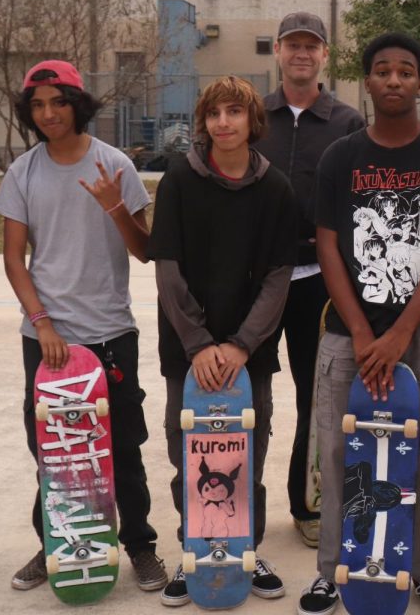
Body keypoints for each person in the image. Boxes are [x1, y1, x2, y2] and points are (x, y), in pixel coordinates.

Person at [299, 32, 420, 615]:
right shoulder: (342, 157)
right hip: (347, 331)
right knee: (337, 456)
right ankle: (337, 568)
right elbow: (329, 248)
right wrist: (360, 332)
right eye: (382, 71)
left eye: (406, 71)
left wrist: (403, 331)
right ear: (368, 80)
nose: (394, 80)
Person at [0, 60, 167, 594]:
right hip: (47, 341)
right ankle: (56, 544)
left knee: (122, 446)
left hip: (111, 333)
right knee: (55, 450)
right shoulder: (24, 171)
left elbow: (144, 252)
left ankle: (139, 545)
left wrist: (117, 209)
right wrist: (42, 323)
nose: (48, 114)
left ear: (77, 103)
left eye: (58, 102)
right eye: (38, 105)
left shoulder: (115, 164)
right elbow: (14, 258)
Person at [146, 75, 298, 606]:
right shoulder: (180, 181)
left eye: (235, 112)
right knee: (188, 450)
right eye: (215, 114)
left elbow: (279, 276)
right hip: (187, 354)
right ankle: (194, 551)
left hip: (248, 356)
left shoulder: (275, 187)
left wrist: (240, 345)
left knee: (245, 454)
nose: (224, 123)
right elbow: (167, 268)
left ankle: (244, 553)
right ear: (203, 121)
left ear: (253, 122)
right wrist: (199, 344)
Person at [260, 12, 364, 547]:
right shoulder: (253, 116)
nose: (302, 53)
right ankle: (239, 510)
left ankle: (307, 504)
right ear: (277, 51)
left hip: (319, 280)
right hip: (257, 278)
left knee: (316, 395)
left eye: (312, 46)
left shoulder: (347, 123)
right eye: (292, 45)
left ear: (325, 55)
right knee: (247, 395)